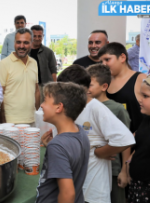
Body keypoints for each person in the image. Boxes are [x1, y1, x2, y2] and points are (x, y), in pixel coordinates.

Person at [57, 65, 135, 203]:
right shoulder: (69, 108)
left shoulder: (97, 108)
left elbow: (125, 139)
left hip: (95, 187)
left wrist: (101, 152)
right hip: (75, 182)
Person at [36, 82, 90, 203]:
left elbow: (68, 194)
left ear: (59, 107)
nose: (42, 105)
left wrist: (54, 147)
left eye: (45, 101)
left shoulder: (57, 146)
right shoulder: (80, 133)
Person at [87, 63, 131, 203]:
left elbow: (126, 142)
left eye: (90, 85)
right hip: (92, 167)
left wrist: (124, 171)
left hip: (113, 169)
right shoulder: (84, 107)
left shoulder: (117, 109)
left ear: (104, 86)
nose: (85, 88)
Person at [99, 42, 147, 134]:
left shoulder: (141, 79)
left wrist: (136, 136)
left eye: (107, 59)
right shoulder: (104, 83)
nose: (103, 64)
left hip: (137, 142)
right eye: (101, 61)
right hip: (112, 142)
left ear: (122, 57)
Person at [0, 28, 40, 125]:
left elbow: (36, 90)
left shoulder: (34, 63)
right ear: (14, 43)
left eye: (26, 43)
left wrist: (36, 114)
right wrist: (3, 122)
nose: (21, 46)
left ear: (31, 43)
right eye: (18, 42)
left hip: (32, 120)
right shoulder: (4, 64)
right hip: (11, 122)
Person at [126, 75, 150, 203]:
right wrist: (129, 161)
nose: (140, 100)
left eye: (145, 96)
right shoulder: (146, 119)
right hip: (138, 185)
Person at [30, 25, 57, 103]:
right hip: (29, 86)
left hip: (44, 86)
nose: (37, 38)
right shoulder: (26, 52)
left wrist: (54, 88)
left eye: (40, 36)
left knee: (43, 110)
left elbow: (53, 71)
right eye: (34, 36)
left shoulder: (48, 52)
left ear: (43, 36)